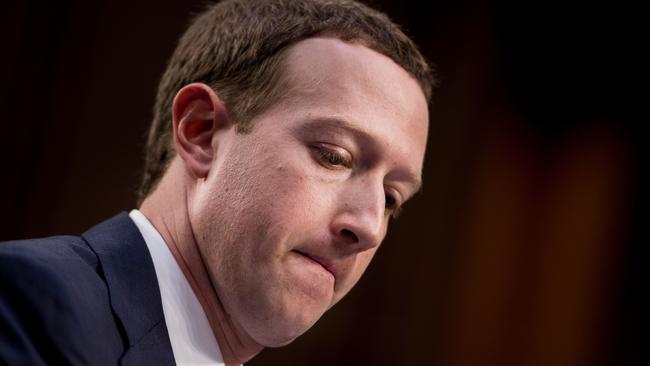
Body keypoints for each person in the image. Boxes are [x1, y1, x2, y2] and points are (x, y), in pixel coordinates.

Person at [0, 0, 434, 364]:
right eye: (334, 156)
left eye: (392, 198)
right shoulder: (30, 303)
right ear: (201, 132)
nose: (370, 226)